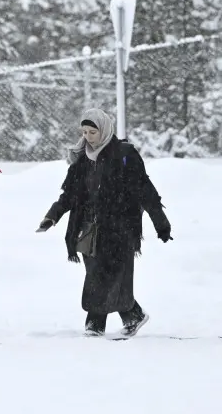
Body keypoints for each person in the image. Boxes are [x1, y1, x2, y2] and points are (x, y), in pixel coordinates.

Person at [37, 109, 171, 338]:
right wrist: (52, 216)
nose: (88, 137)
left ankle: (95, 325)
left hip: (120, 228)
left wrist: (161, 223)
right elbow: (69, 194)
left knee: (107, 276)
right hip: (90, 228)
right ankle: (133, 315)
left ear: (105, 130)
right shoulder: (81, 159)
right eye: (84, 132)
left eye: (92, 132)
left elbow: (145, 190)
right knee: (99, 276)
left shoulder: (124, 154)